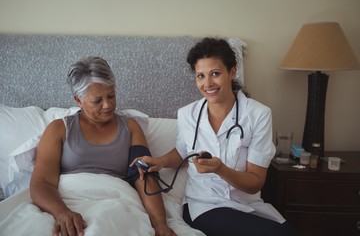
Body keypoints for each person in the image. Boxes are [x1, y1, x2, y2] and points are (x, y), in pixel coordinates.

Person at [134, 38, 299, 236]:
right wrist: (159, 162)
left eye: (215, 74)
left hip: (246, 204)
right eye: (200, 76)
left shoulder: (258, 115)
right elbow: (183, 152)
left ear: (232, 71)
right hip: (203, 205)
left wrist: (221, 169)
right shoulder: (188, 114)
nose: (207, 83)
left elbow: (255, 182)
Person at [30, 56, 176, 236]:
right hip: (63, 202)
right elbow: (41, 183)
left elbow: (144, 177)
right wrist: (62, 213)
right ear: (78, 100)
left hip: (115, 202)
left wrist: (160, 224)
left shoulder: (130, 128)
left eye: (111, 96)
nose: (108, 105)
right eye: (97, 101)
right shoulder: (58, 129)